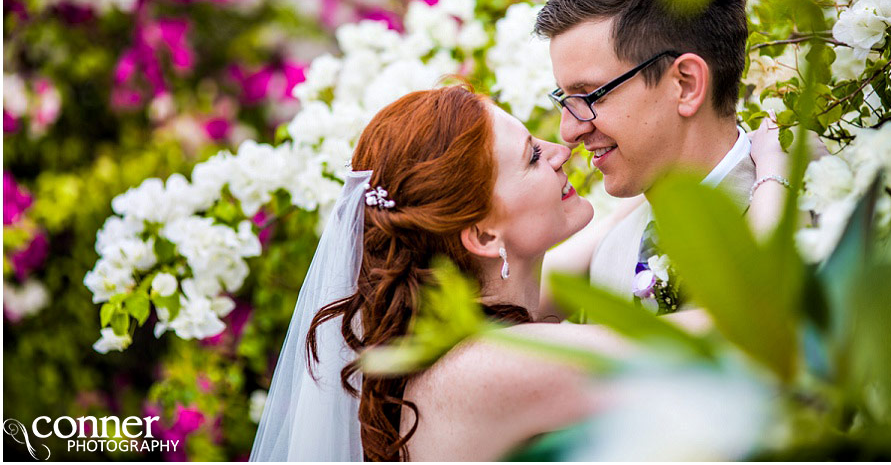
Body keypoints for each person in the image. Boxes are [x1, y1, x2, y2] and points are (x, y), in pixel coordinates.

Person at [250, 84, 790, 461]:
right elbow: (740, 336)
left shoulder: (491, 314)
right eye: (533, 156)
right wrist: (774, 175)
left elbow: (637, 203)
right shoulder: (495, 365)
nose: (562, 150)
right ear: (484, 236)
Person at [535, 0, 791, 303]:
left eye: (590, 95)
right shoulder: (608, 255)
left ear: (685, 84)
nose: (569, 131)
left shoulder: (810, 221)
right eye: (564, 99)